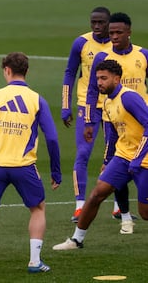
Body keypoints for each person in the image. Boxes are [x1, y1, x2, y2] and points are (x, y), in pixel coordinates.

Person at [0, 52, 62, 274]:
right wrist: (56, 171)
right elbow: (52, 138)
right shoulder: (37, 99)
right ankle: (35, 261)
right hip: (24, 167)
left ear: (7, 70)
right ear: (26, 71)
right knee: (37, 208)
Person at [53, 59, 148, 251]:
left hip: (144, 157)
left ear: (116, 78)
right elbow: (112, 134)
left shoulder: (129, 97)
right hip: (122, 156)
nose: (100, 83)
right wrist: (107, 160)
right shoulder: (107, 102)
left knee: (145, 213)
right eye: (97, 78)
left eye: (104, 78)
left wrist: (138, 158)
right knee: (97, 193)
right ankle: (76, 240)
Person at [84, 12, 148, 233]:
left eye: (118, 32)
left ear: (129, 32)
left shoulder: (143, 55)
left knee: (133, 166)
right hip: (112, 116)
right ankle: (125, 217)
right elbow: (92, 89)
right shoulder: (102, 57)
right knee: (115, 163)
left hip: (140, 118)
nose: (114, 36)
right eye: (111, 33)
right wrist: (89, 119)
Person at [61, 6, 111, 223]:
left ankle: (119, 206)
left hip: (113, 106)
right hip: (87, 106)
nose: (97, 26)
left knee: (117, 155)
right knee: (83, 153)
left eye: (101, 22)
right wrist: (65, 105)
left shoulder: (117, 45)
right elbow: (70, 72)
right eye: (94, 22)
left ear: (110, 23)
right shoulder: (81, 43)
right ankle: (80, 205)